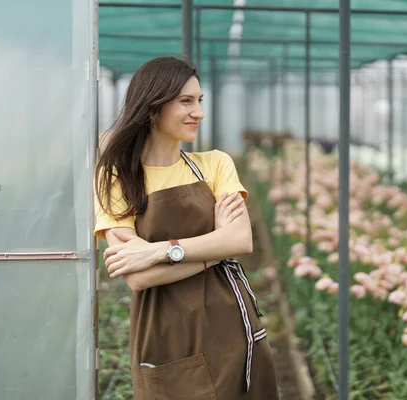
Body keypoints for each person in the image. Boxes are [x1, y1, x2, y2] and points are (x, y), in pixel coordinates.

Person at [93, 57, 279, 400]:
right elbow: (137, 277)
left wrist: (157, 251)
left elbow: (240, 239)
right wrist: (214, 251)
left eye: (200, 100)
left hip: (230, 325)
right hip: (163, 331)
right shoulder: (116, 177)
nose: (199, 112)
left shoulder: (215, 163)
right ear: (153, 104)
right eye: (186, 101)